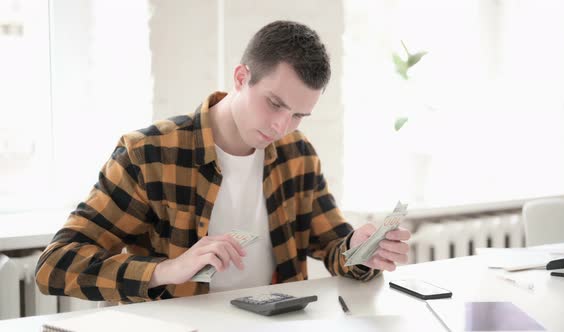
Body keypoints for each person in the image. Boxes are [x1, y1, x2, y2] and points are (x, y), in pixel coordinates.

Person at [35, 20, 411, 303]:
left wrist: (362, 250)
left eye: (298, 115)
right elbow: (54, 266)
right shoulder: (148, 153)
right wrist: (167, 270)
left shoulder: (298, 156)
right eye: (275, 103)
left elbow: (334, 248)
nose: (282, 126)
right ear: (241, 77)